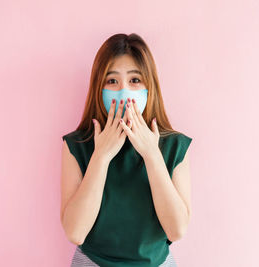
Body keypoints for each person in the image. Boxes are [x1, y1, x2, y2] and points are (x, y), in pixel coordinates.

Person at [60, 33, 193, 267]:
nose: (124, 91)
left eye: (134, 80)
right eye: (112, 81)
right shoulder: (77, 145)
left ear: (149, 86)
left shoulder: (174, 146)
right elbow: (75, 232)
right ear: (98, 87)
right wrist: (101, 156)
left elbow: (176, 230)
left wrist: (152, 154)